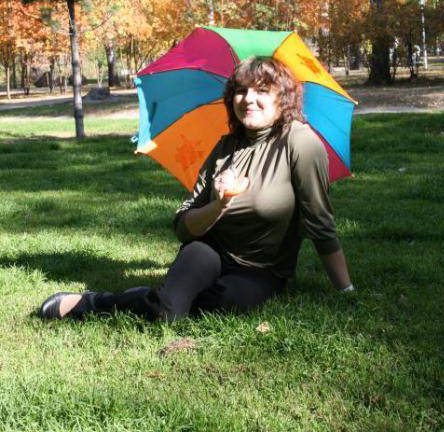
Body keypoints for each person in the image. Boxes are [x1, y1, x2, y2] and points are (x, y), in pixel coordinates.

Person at [39, 57, 354, 322]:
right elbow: (183, 227)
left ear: (282, 98)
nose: (248, 99)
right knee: (168, 312)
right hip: (210, 250)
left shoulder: (300, 142)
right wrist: (219, 205)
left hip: (263, 269)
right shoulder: (225, 147)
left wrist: (346, 291)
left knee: (220, 306)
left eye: (261, 90)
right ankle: (92, 303)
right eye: (240, 91)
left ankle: (155, 296)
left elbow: (319, 222)